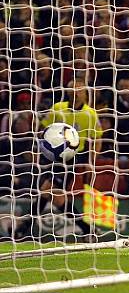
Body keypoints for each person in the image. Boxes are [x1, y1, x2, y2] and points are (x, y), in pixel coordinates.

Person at [39, 78, 103, 240]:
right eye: (72, 89)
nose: (76, 93)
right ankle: (88, 229)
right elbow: (43, 128)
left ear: (85, 93)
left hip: (72, 159)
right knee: (51, 195)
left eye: (79, 90)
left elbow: (97, 139)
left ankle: (22, 230)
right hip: (52, 157)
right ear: (67, 91)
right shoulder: (58, 109)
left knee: (48, 191)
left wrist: (91, 161)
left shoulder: (90, 113)